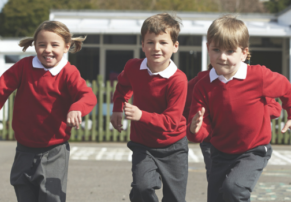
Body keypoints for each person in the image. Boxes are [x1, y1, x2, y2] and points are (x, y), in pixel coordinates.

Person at [0, 21, 97, 202]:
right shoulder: (24, 67)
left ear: (66, 47)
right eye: (42, 44)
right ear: (35, 45)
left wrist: (76, 108)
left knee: (51, 197)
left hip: (55, 149)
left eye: (55, 45)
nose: (48, 49)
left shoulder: (69, 73)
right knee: (23, 191)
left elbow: (87, 96)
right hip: (24, 149)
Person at [187, 15, 291, 202]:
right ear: (208, 48)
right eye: (216, 49)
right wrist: (195, 129)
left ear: (243, 53)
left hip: (253, 150)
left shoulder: (258, 76)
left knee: (234, 189)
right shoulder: (203, 86)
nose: (222, 57)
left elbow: (286, 88)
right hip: (220, 152)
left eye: (229, 51)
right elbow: (201, 132)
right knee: (218, 197)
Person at [111, 13, 188, 202]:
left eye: (163, 42)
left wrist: (141, 115)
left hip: (173, 146)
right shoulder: (133, 67)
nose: (157, 48)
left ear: (175, 46)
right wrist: (117, 108)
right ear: (142, 45)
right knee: (141, 188)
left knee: (175, 198)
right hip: (143, 144)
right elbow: (122, 86)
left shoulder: (178, 80)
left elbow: (171, 122)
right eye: (151, 42)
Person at [183, 62, 282, 181]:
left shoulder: (251, 80)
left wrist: (250, 110)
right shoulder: (200, 82)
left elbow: (275, 109)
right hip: (212, 143)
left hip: (244, 143)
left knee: (237, 185)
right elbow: (183, 108)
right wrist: (197, 121)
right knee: (218, 185)